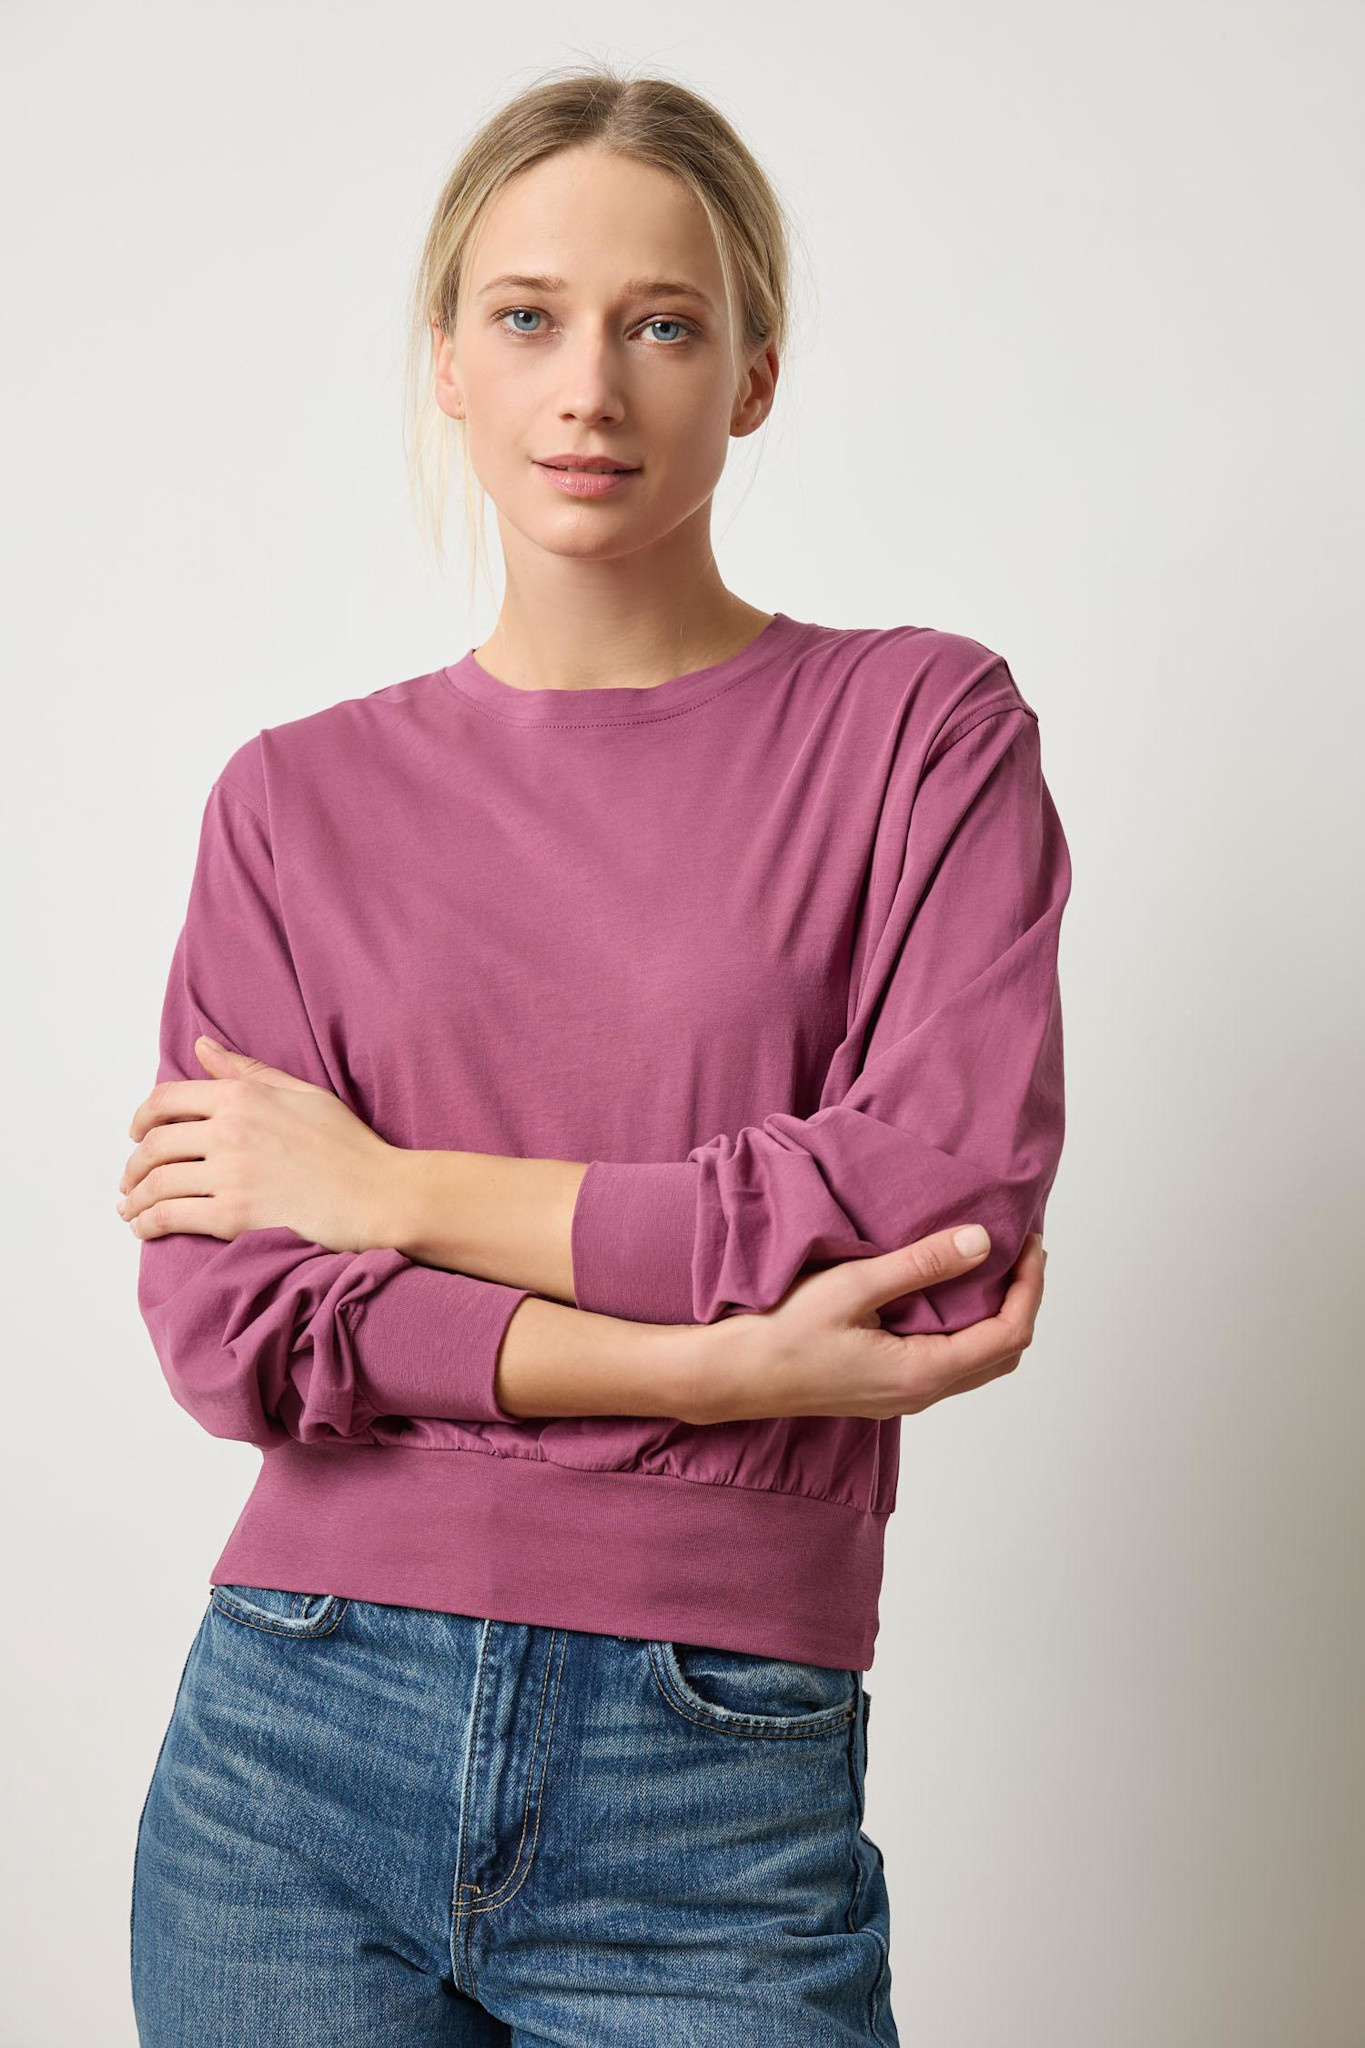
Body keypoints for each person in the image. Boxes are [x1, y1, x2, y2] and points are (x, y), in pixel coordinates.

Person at [121, 63, 1068, 2047]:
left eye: (660, 326)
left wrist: (391, 1194)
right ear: (447, 364)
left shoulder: (917, 732)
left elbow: (929, 1213)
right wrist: (710, 1366)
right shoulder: (291, 802)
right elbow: (233, 1324)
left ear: (752, 375)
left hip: (710, 1767)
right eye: (527, 317)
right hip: (292, 1739)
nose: (588, 390)